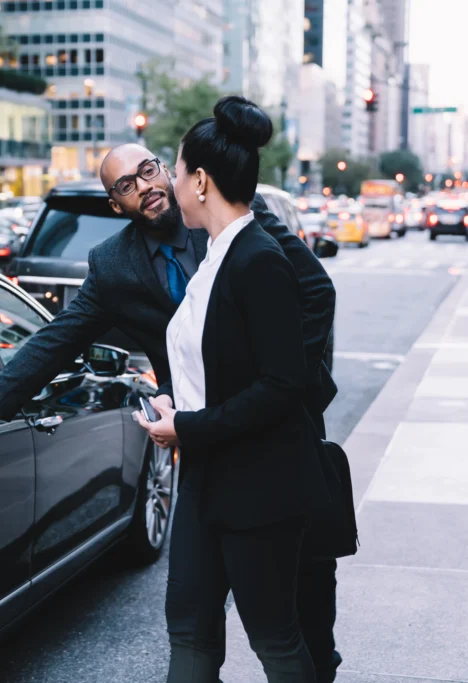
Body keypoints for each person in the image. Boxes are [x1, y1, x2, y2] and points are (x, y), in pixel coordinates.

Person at [0, 139, 343, 678]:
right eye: (127, 186)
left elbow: (316, 295)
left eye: (150, 171)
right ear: (117, 205)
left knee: (299, 608)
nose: (146, 187)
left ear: (170, 170)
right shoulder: (113, 265)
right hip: (203, 448)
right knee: (191, 616)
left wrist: (283, 388)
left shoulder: (230, 220)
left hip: (277, 440)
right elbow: (57, 339)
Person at [135, 95, 326, 683]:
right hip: (204, 479)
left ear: (199, 181)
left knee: (274, 637)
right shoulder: (216, 255)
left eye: (173, 165)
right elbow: (212, 361)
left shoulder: (258, 259)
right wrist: (178, 401)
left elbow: (281, 385)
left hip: (260, 488)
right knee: (188, 631)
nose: (166, 177)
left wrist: (187, 426)